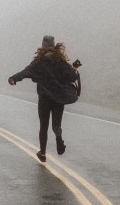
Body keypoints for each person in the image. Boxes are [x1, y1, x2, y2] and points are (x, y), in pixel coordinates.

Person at [9, 35, 81, 163]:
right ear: (53, 46)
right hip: (59, 98)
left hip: (44, 98)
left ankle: (42, 153)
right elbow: (72, 77)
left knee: (44, 126)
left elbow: (26, 72)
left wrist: (14, 78)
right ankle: (58, 136)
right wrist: (74, 68)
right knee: (56, 124)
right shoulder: (60, 61)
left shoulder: (38, 62)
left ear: (42, 46)